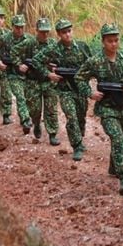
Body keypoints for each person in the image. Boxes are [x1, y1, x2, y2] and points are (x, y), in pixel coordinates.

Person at [75, 23, 123, 195]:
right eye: (110, 41)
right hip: (107, 109)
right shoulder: (95, 61)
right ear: (103, 41)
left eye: (116, 40)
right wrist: (90, 92)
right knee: (118, 139)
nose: (114, 44)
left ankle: (114, 167)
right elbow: (79, 78)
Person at [31, 19, 91, 161]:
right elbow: (36, 61)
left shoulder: (82, 47)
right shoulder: (54, 49)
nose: (67, 35)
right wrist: (49, 74)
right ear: (58, 34)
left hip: (81, 89)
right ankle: (76, 146)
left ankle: (80, 138)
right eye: (64, 32)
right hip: (65, 90)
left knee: (81, 117)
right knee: (71, 117)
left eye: (69, 31)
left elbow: (93, 63)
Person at [10, 17, 60, 145]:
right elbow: (13, 51)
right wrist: (19, 65)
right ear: (36, 30)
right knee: (34, 110)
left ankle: (52, 133)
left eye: (46, 32)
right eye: (42, 31)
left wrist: (56, 67)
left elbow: (60, 58)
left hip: (49, 82)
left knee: (51, 109)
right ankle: (37, 124)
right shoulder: (29, 43)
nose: (44, 34)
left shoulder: (53, 44)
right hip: (32, 82)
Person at [0, 14, 33, 132]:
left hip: (26, 74)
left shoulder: (30, 39)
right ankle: (25, 120)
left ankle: (26, 116)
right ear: (12, 27)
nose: (20, 30)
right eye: (17, 27)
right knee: (19, 96)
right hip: (10, 73)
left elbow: (35, 55)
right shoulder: (5, 38)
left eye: (22, 27)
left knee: (28, 97)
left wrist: (28, 65)